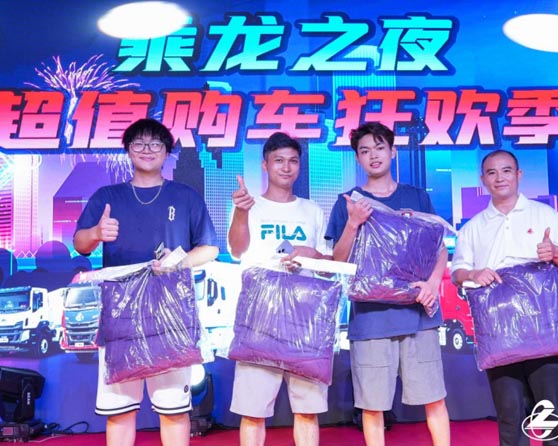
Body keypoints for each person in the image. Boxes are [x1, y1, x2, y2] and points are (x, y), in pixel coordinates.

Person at [73, 118, 219, 446]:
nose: (147, 149)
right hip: (120, 315)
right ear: (128, 150)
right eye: (138, 143)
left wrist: (179, 262)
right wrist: (96, 233)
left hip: (171, 315)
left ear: (167, 151)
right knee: (120, 410)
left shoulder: (185, 196)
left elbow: (210, 248)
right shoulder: (107, 196)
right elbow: (81, 244)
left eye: (155, 143)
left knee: (174, 409)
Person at [326, 122, 451, 446]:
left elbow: (439, 248)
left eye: (380, 148)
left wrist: (432, 283)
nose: (373, 155)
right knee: (372, 405)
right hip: (371, 319)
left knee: (434, 397)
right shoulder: (348, 202)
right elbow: (339, 259)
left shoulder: (417, 197)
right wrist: (353, 223)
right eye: (365, 150)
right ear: (357, 158)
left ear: (393, 152)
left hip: (418, 315)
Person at [450, 149, 558, 446]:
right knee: (510, 417)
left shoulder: (544, 214)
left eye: (506, 170)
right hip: (498, 331)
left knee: (553, 415)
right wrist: (473, 273)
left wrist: (555, 252)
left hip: (543, 325)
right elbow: (457, 272)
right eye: (492, 172)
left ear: (519, 175)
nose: (500, 178)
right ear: (483, 180)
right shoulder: (473, 227)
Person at [227, 131, 332, 446]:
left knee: (308, 408)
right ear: (265, 165)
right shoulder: (249, 205)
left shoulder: (312, 210)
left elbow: (328, 263)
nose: (286, 167)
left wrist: (313, 255)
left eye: (293, 161)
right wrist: (242, 212)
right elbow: (236, 249)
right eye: (278, 161)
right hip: (260, 313)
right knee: (253, 409)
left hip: (305, 314)